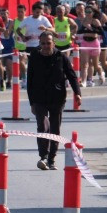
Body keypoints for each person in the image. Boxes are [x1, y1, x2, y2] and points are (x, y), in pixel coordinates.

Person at [26, 31, 81, 170]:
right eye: (43, 43)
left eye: (48, 43)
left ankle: (52, 159)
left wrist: (77, 93)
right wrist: (31, 102)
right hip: (39, 98)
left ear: (53, 43)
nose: (45, 46)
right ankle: (43, 157)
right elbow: (30, 80)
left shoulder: (61, 56)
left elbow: (71, 76)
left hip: (57, 97)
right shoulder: (34, 56)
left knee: (55, 129)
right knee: (43, 126)